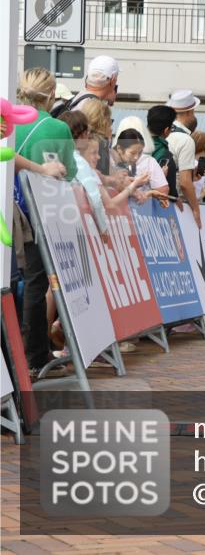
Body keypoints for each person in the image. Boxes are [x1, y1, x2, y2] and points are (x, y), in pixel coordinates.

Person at [14, 68, 77, 378]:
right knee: (38, 284)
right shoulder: (57, 127)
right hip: (41, 214)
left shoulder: (9, 121)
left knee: (16, 283)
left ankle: (20, 352)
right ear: (51, 95)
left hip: (9, 211)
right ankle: (35, 355)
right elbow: (71, 172)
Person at [165, 89, 202, 228]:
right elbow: (185, 183)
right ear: (188, 112)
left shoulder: (162, 132)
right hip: (176, 204)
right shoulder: (185, 140)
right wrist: (196, 209)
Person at [113, 128, 168, 201]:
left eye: (140, 152)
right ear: (119, 149)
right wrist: (137, 184)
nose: (136, 157)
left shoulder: (148, 161)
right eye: (132, 153)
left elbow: (163, 191)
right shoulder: (108, 164)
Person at [147, 105, 179, 199]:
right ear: (166, 130)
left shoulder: (135, 145)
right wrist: (175, 198)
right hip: (159, 206)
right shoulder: (164, 154)